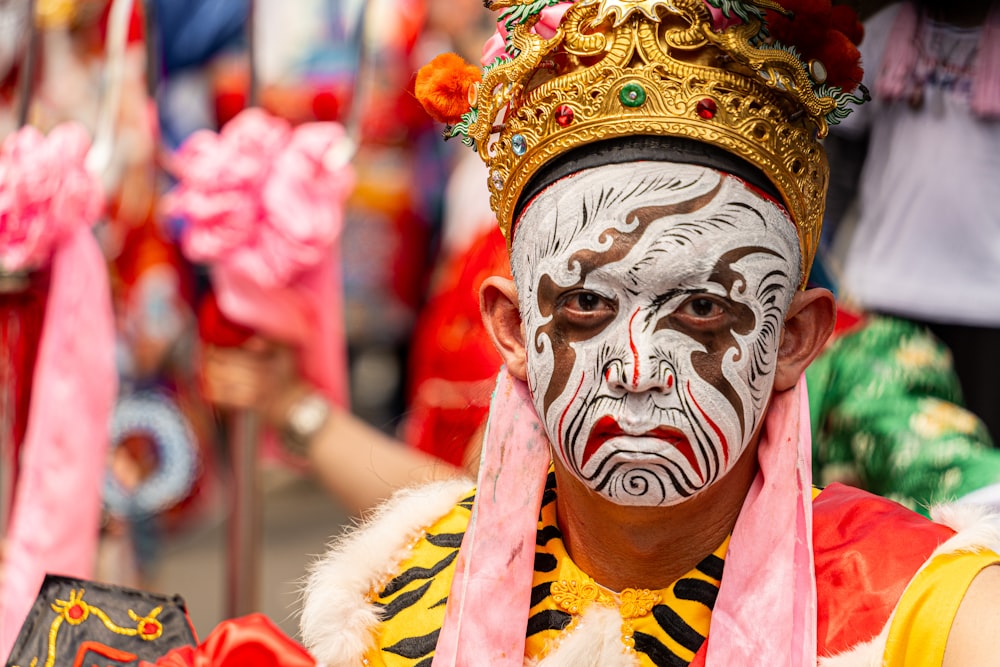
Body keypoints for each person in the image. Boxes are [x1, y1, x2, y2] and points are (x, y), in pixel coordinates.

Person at [282, 2, 1000, 665]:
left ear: (793, 337)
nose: (637, 366)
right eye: (588, 304)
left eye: (701, 312)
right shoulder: (392, 593)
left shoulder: (908, 603)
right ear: (512, 327)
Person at [822, 0, 1000, 443]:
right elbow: (837, 160)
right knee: (881, 446)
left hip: (988, 302)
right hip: (886, 291)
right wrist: (817, 258)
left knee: (983, 468)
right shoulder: (882, 32)